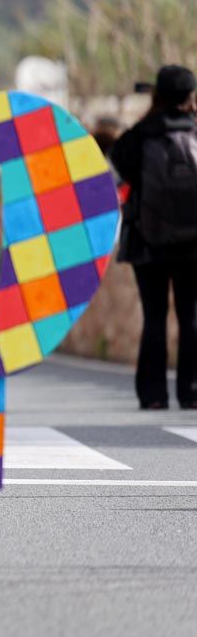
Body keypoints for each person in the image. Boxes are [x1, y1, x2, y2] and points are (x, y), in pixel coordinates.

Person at [110, 65, 197, 410]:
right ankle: (191, 391)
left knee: (154, 315)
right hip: (194, 245)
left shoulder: (139, 135)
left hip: (149, 241)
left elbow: (120, 165)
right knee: (191, 316)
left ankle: (153, 394)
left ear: (157, 94)